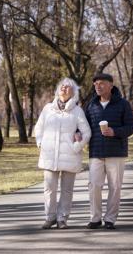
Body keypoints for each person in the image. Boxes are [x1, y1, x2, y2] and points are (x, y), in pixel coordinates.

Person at [35, 77, 91, 229]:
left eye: (68, 87)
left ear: (74, 93)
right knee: (49, 188)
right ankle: (50, 217)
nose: (64, 88)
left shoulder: (77, 111)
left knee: (67, 190)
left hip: (70, 156)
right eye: (62, 86)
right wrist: (40, 143)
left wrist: (77, 146)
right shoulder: (48, 109)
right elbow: (38, 128)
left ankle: (62, 219)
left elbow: (87, 133)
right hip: (49, 156)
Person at [84, 73, 133, 230]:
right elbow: (85, 127)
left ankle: (110, 219)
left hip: (116, 152)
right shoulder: (91, 105)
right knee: (94, 185)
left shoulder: (122, 104)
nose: (98, 86)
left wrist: (115, 132)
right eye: (95, 84)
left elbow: (131, 127)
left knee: (115, 187)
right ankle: (95, 218)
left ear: (111, 85)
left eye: (101, 83)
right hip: (96, 152)